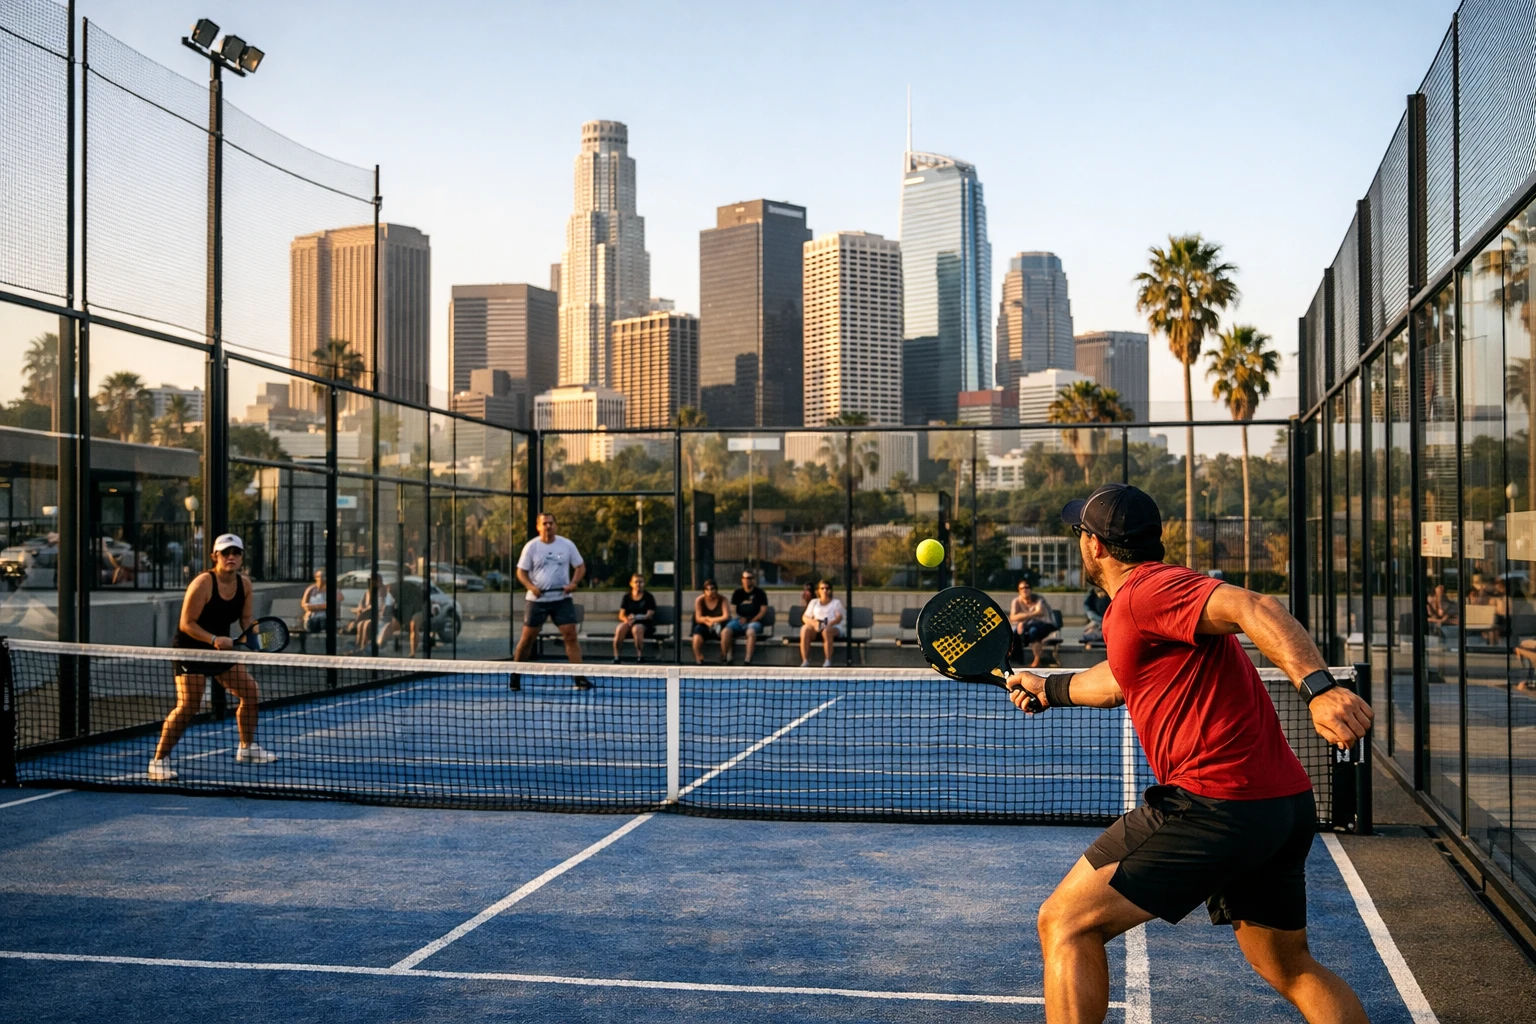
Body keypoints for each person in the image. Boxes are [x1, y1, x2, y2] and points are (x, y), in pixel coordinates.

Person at [1007, 483, 1373, 1024]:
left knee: (1065, 922)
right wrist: (1050, 689)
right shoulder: (1137, 610)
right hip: (1280, 806)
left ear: (1096, 547)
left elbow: (1254, 606)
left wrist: (1320, 689)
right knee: (1291, 968)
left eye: (1082, 533)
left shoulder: (1147, 591)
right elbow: (1116, 682)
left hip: (1213, 802)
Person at [148, 533, 277, 780]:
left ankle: (247, 749)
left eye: (236, 553)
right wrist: (214, 640)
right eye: (225, 552)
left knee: (250, 692)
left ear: (241, 557)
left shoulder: (245, 585)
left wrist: (259, 637)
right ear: (214, 556)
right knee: (189, 706)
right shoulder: (202, 584)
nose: (231, 557)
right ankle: (158, 761)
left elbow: (247, 621)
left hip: (222, 649)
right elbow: (186, 623)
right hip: (191, 649)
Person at [512, 512, 589, 690]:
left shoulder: (567, 545)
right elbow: (521, 572)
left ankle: (579, 678)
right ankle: (515, 675)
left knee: (571, 635)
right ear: (538, 527)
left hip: (561, 600)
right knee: (527, 639)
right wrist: (531, 587)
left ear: (556, 525)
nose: (548, 526)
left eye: (551, 523)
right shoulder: (531, 547)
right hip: (536, 601)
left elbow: (580, 566)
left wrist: (574, 583)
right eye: (544, 523)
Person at [722, 569, 769, 665]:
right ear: (742, 580)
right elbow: (733, 609)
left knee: (751, 632)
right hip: (739, 621)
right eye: (745, 578)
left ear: (753, 580)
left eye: (749, 578)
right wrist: (739, 618)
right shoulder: (737, 593)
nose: (747, 580)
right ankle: (726, 657)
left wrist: (750, 620)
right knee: (725, 631)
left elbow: (763, 611)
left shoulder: (760, 593)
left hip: (754, 622)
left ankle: (747, 660)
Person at [1009, 579, 1058, 668]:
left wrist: (1022, 619)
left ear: (1030, 589)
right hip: (1028, 626)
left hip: (1046, 623)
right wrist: (1025, 620)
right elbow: (1012, 617)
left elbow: (1040, 612)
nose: (1024, 590)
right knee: (1014, 633)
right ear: (1019, 591)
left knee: (1033, 631)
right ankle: (1017, 660)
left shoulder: (1038, 599)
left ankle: (1037, 660)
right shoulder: (1016, 601)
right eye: (1021, 588)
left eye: (1026, 587)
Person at [798, 580, 844, 668]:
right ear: (818, 590)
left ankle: (828, 661)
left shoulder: (836, 603)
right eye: (822, 588)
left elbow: (839, 618)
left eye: (827, 588)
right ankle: (805, 661)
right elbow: (805, 617)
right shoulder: (813, 602)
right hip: (816, 629)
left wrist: (829, 624)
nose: (825, 590)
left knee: (826, 631)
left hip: (833, 628)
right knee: (804, 629)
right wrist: (814, 623)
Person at [613, 573, 657, 663]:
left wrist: (637, 618)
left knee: (637, 629)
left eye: (641, 582)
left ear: (644, 583)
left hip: (644, 624)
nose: (638, 584)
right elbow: (621, 614)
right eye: (636, 582)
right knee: (620, 628)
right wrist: (627, 620)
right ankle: (617, 657)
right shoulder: (626, 597)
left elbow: (649, 614)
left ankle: (639, 656)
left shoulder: (649, 597)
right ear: (631, 583)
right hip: (629, 623)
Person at [691, 579, 729, 665]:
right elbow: (698, 618)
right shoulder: (699, 600)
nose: (710, 592)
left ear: (716, 590)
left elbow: (726, 616)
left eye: (712, 589)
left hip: (719, 626)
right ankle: (698, 659)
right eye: (707, 589)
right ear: (704, 591)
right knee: (696, 635)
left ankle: (723, 657)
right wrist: (708, 623)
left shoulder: (723, 599)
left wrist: (709, 619)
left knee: (726, 632)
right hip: (704, 626)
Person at [300, 569, 330, 635]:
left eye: (323, 576)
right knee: (309, 623)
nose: (322, 579)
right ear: (316, 577)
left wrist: (313, 607)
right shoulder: (310, 589)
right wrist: (321, 607)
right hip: (311, 617)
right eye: (319, 576)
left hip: (324, 618)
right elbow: (304, 605)